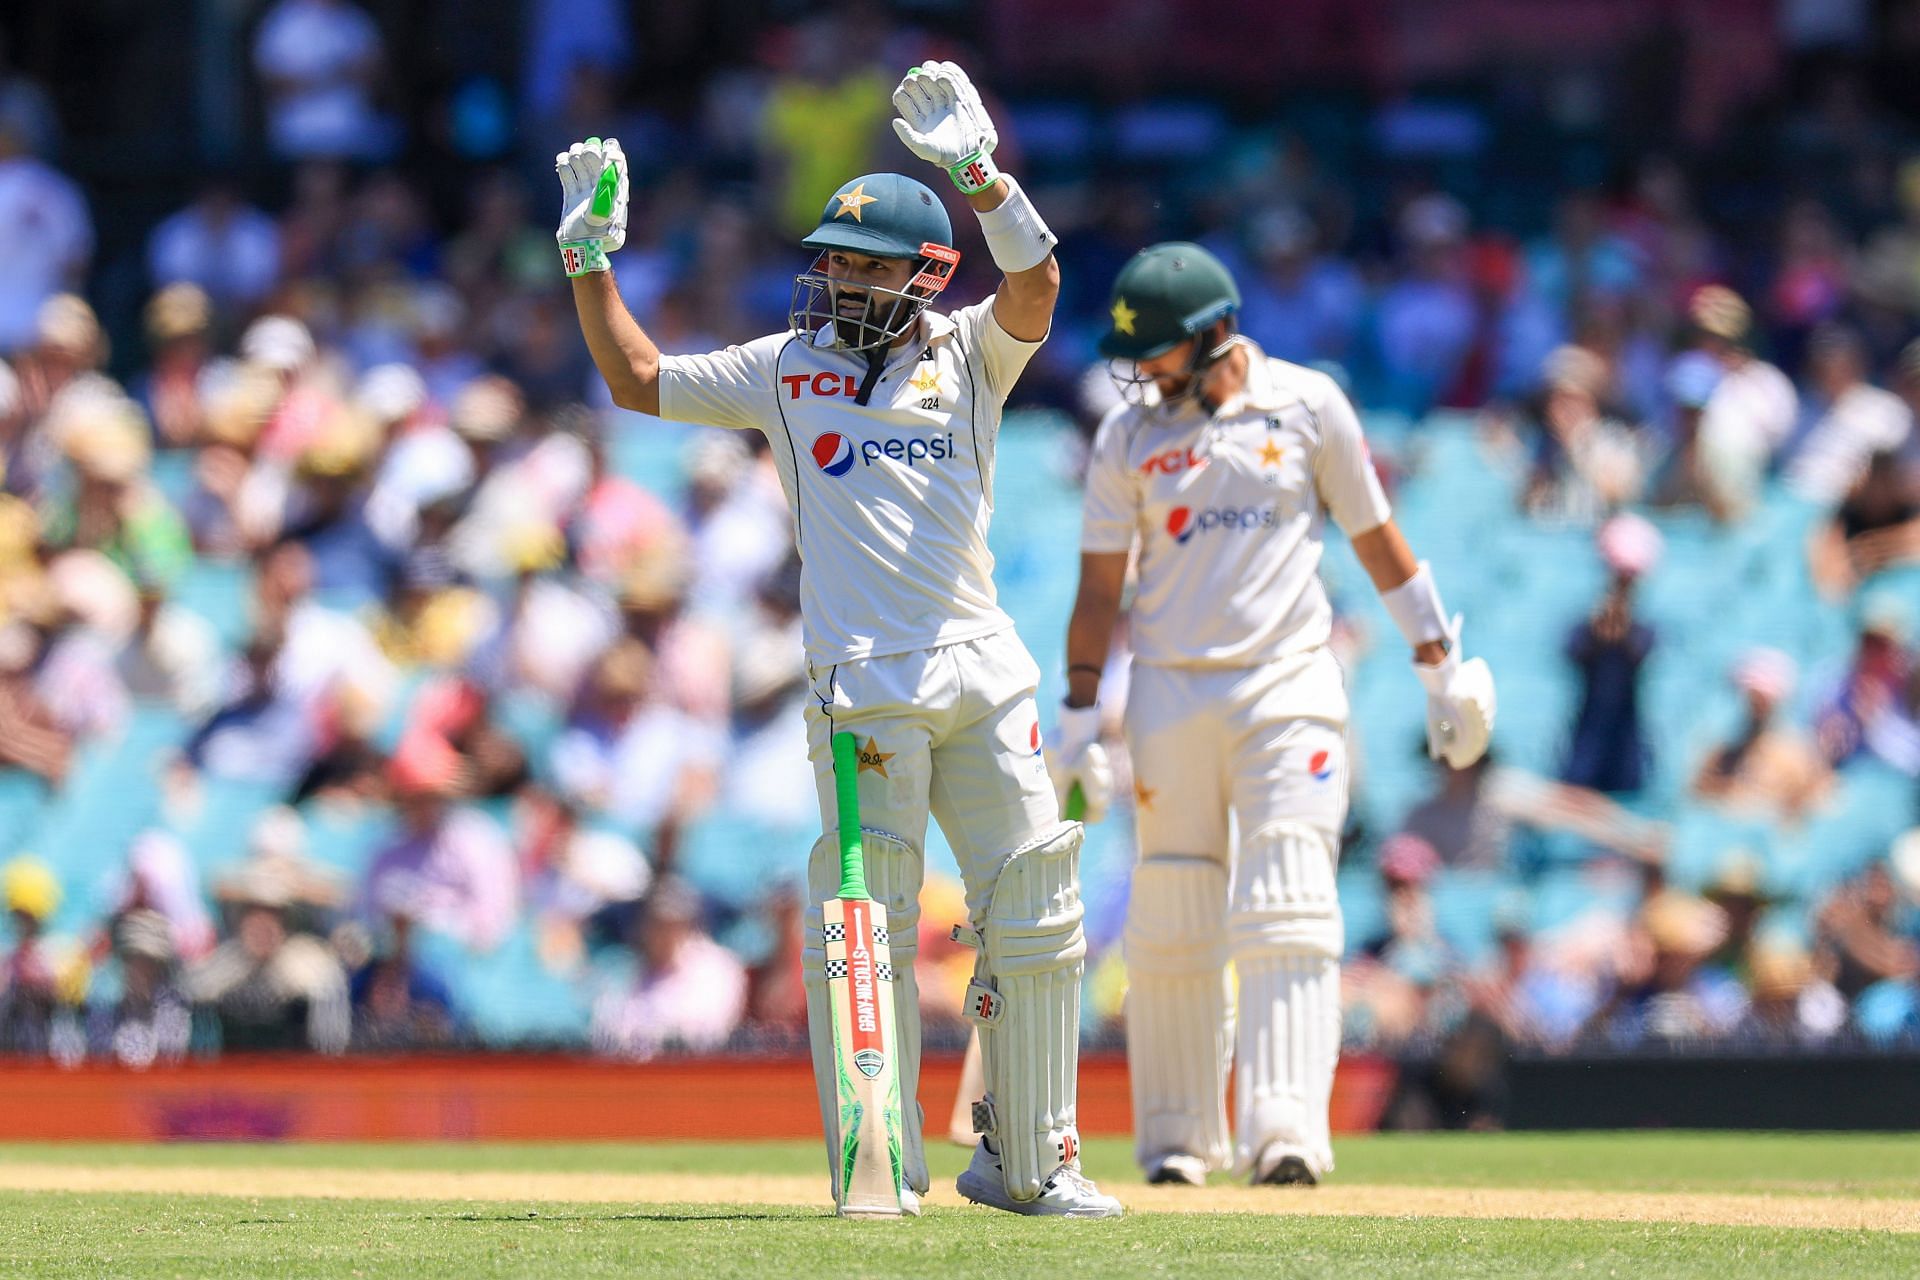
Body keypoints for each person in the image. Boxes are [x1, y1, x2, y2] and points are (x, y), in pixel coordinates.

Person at [558, 62, 1117, 1216]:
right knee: (871, 918)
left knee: (1036, 910)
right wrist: (589, 261)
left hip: (980, 665)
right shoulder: (785, 367)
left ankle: (1028, 1157)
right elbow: (636, 375)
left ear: (928, 271)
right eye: (832, 258)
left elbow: (1042, 282)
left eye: (865, 262)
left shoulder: (969, 354)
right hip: (863, 685)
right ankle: (883, 1161)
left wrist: (978, 172)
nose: (840, 277)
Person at [1053, 241, 1496, 1187]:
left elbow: (1375, 537)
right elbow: (1099, 587)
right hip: (1171, 688)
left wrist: (1438, 665)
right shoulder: (1127, 435)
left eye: (1163, 350)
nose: (1146, 371)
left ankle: (1285, 1130)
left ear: (1218, 334)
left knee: (1289, 898)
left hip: (1289, 683)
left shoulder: (1308, 405)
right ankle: (1176, 1139)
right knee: (1172, 908)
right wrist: (1080, 714)